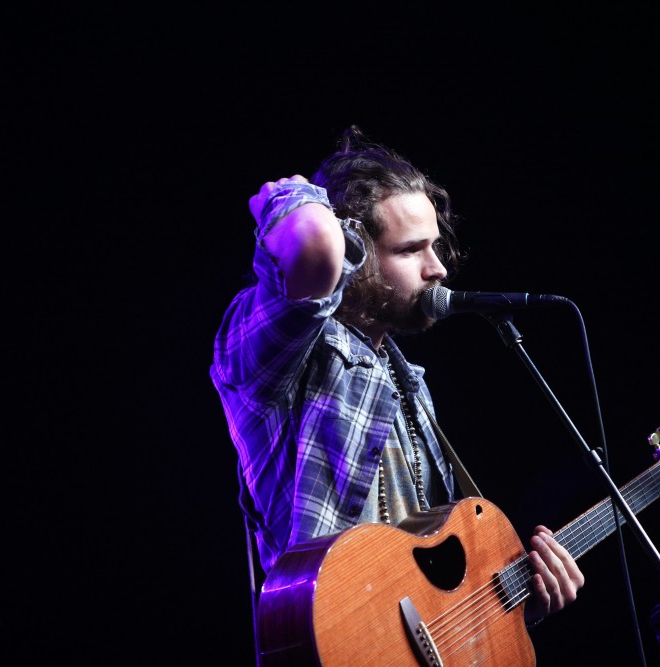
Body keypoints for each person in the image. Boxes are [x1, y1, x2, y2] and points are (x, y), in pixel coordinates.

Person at [209, 125, 585, 659]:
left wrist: (525, 599)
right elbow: (313, 245)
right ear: (357, 256)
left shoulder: (411, 387)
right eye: (411, 250)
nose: (439, 269)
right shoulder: (288, 353)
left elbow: (437, 597)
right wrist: (287, 198)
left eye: (436, 245)